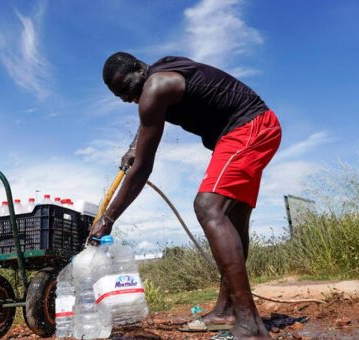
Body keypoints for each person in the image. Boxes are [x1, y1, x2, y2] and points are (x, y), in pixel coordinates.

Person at [89, 52, 281, 339]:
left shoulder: (154, 88)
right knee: (233, 220)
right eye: (120, 96)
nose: (128, 100)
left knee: (208, 207)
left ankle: (250, 324)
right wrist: (134, 146)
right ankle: (226, 310)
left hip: (247, 128)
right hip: (257, 125)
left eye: (128, 89)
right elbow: (146, 127)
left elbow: (142, 169)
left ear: (141, 69)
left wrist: (107, 217)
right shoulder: (161, 74)